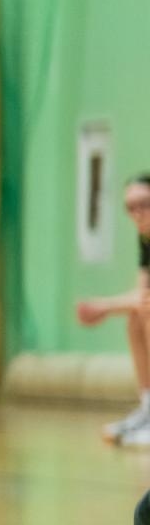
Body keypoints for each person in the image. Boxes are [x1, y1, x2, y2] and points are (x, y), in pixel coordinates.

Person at [76, 173, 150, 447]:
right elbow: (139, 294)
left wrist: (105, 306)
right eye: (131, 207)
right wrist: (103, 307)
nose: (138, 213)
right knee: (137, 314)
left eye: (145, 204)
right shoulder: (145, 239)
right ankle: (147, 407)